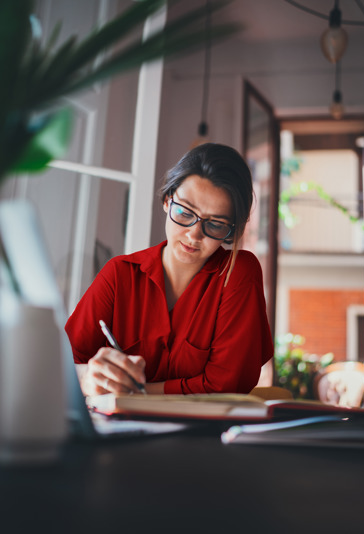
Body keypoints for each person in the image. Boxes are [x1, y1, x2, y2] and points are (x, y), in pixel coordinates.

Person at [65, 143, 274, 396]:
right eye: (185, 213)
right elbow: (61, 364)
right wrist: (89, 377)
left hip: (205, 434)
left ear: (232, 229)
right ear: (167, 200)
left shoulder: (238, 273)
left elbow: (225, 385)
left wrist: (136, 393)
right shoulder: (119, 275)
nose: (194, 235)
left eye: (216, 224)